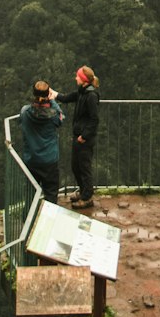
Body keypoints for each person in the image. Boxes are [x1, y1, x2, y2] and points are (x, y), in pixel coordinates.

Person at [56, 65, 100, 209]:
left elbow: (94, 119)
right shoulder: (82, 92)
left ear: (83, 79)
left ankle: (87, 197)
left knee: (84, 167)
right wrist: (53, 94)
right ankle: (83, 191)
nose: (75, 78)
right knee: (76, 167)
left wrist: (84, 136)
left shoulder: (91, 95)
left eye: (77, 76)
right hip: (78, 136)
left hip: (84, 138)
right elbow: (65, 98)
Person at [19, 79, 64, 204]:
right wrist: (52, 100)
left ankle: (27, 219)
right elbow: (60, 117)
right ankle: (48, 222)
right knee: (51, 194)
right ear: (47, 95)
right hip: (49, 160)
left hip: (31, 159)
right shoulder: (54, 115)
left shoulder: (25, 112)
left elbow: (22, 120)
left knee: (30, 194)